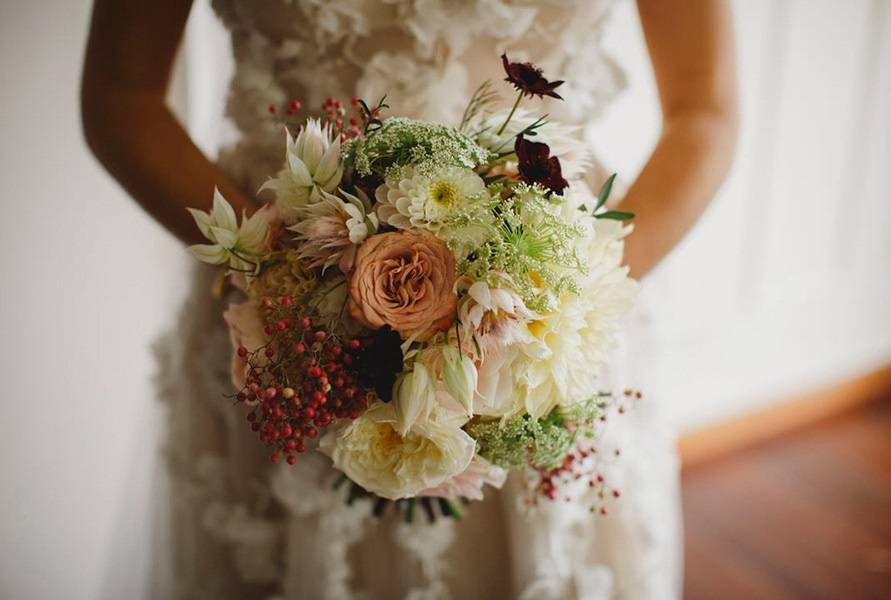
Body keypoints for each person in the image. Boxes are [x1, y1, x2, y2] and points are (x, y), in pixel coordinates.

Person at [82, 1, 738, 598]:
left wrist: (564, 296)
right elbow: (122, 95)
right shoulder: (286, 295)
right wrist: (286, 276)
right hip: (285, 322)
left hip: (544, 311)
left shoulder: (553, 301)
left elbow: (704, 109)